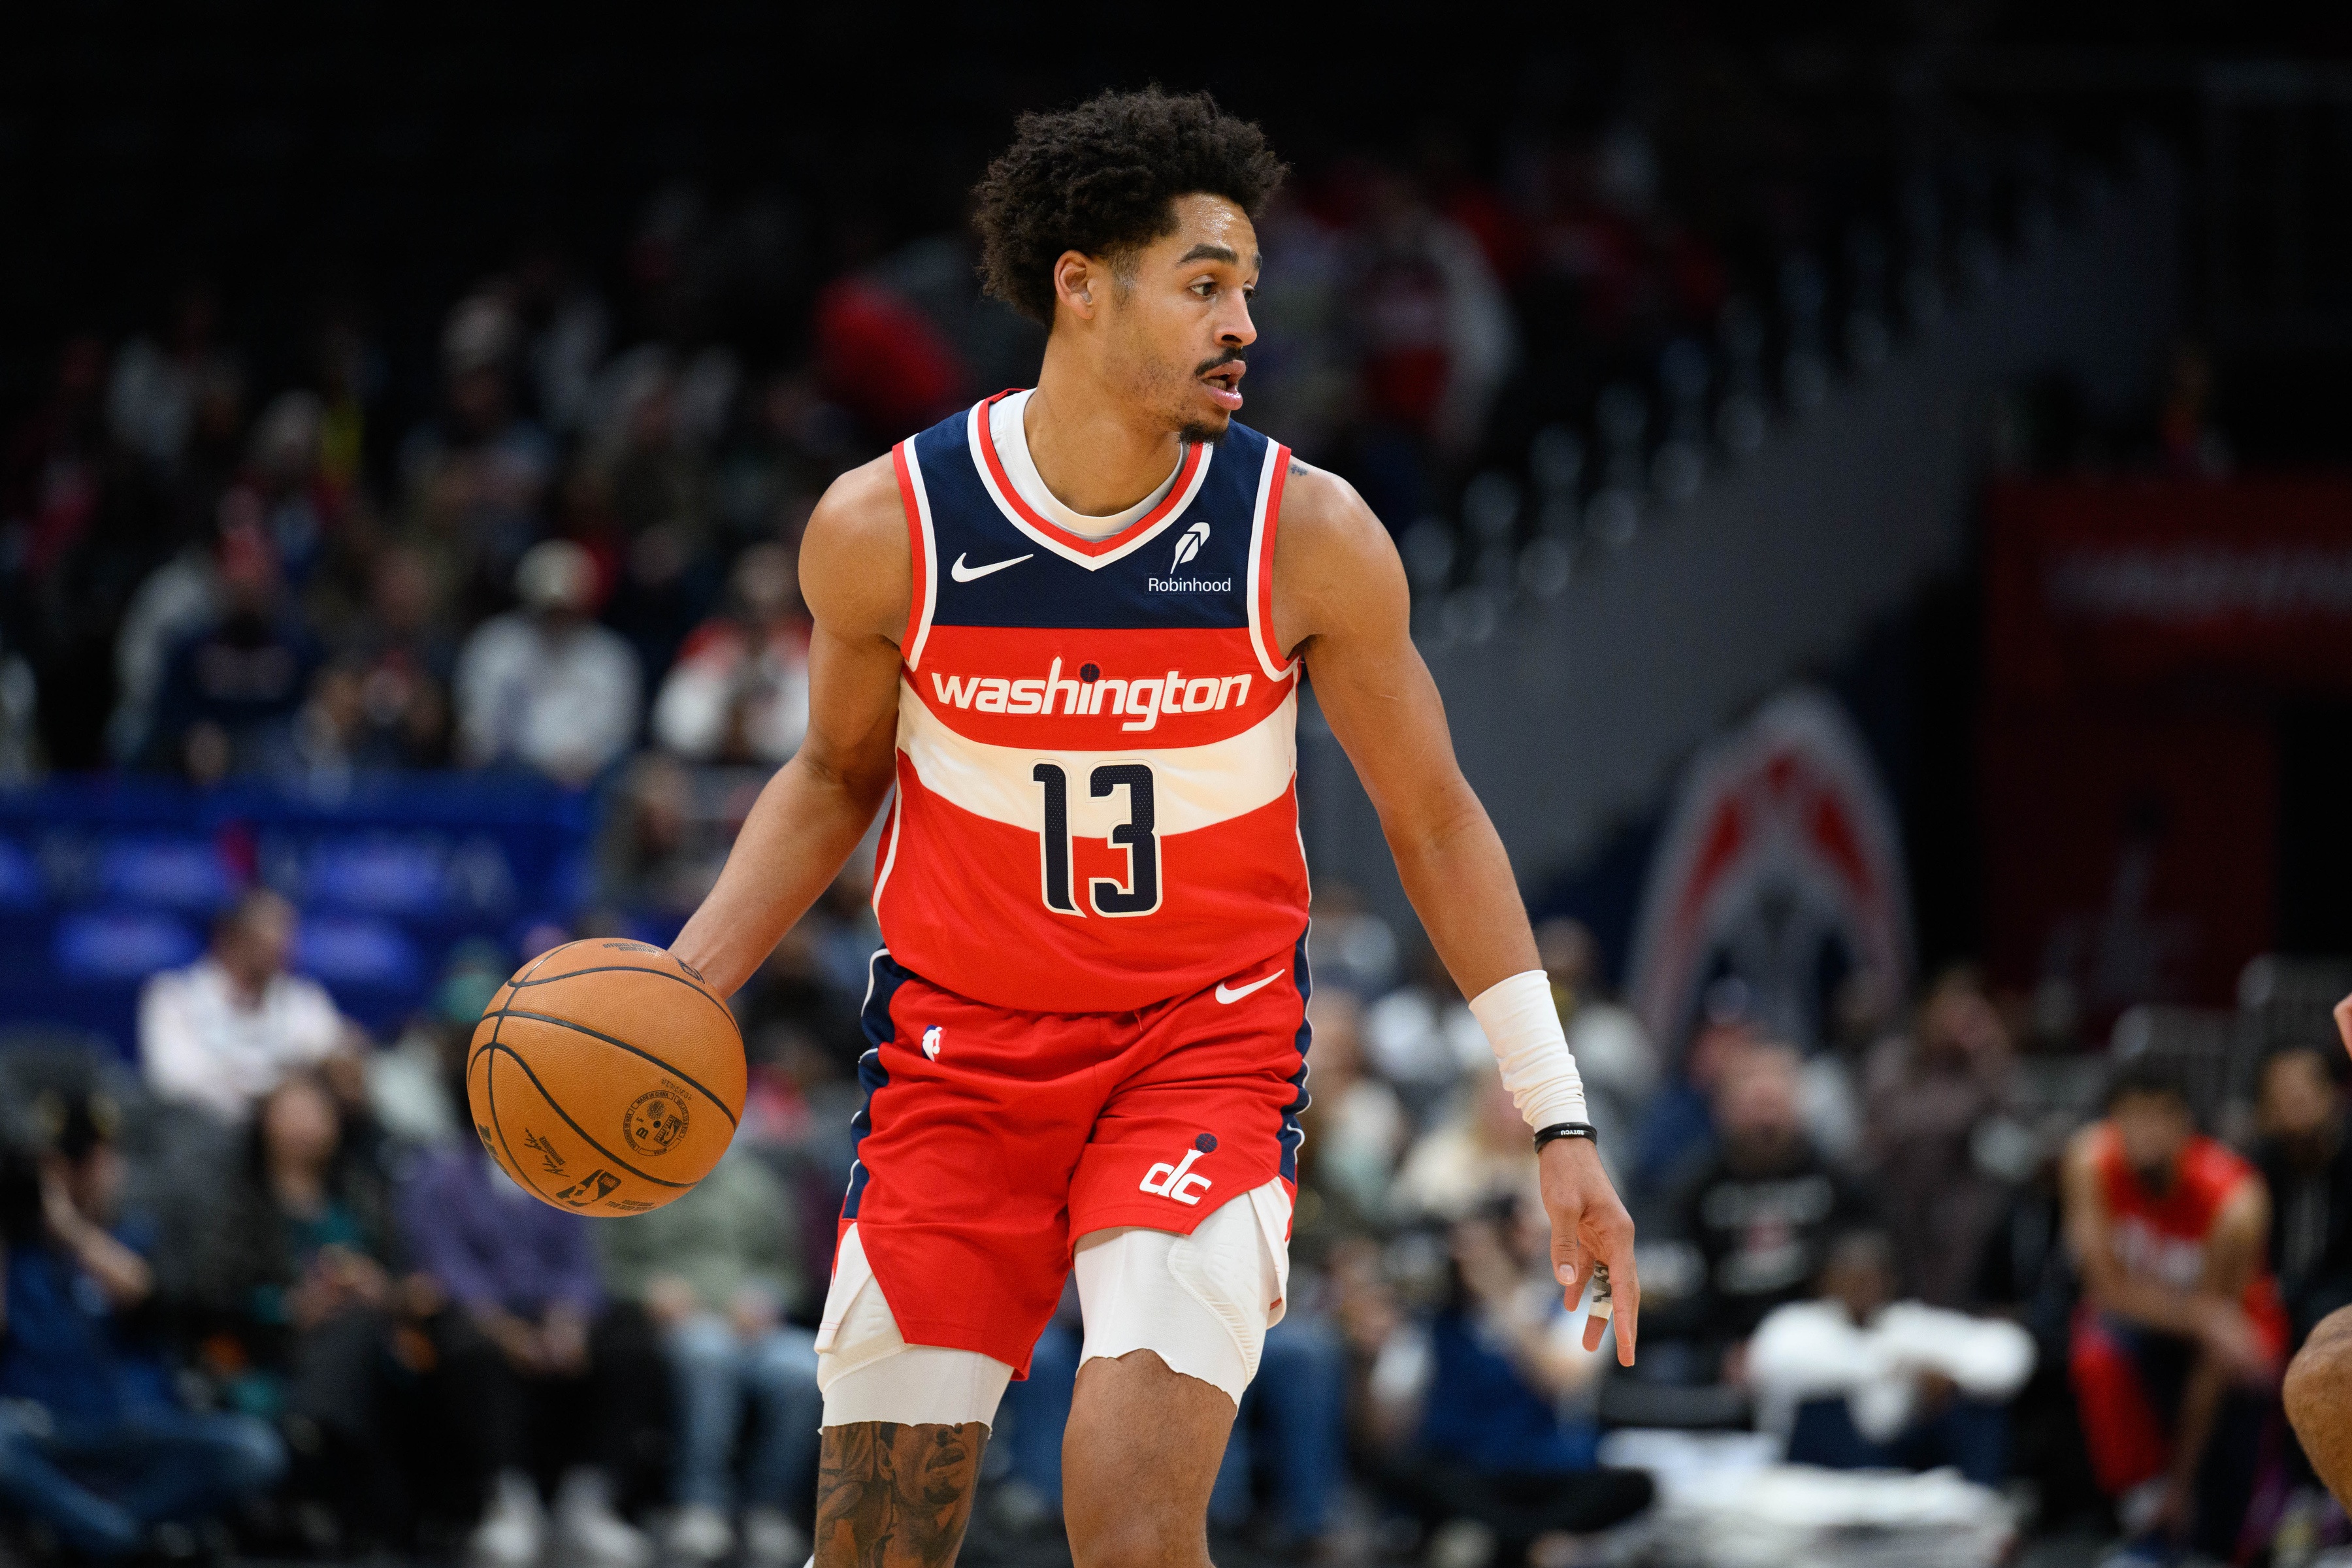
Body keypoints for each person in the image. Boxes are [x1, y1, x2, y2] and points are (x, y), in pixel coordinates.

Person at [666, 88, 1639, 1568]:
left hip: (1200, 1048)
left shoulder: (1304, 533)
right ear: (1082, 285)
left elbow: (1437, 820)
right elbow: (830, 774)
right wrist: (686, 982)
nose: (1244, 323)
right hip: (958, 1063)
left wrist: (1557, 1117)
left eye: (1248, 287)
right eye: (1203, 285)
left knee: (1125, 1507)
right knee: (874, 1544)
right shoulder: (887, 526)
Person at [0, 1089, 287, 1559]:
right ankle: (119, 1539)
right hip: (46, 1431)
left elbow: (147, 1297)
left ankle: (89, 1533)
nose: (73, 1176)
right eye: (58, 1165)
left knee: (254, 1449)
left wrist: (69, 1228)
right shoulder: (16, 1248)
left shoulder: (138, 1236)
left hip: (138, 1432)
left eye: (86, 1160)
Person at [399, 1139, 665, 1568]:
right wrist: (504, 1329)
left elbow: (581, 1263)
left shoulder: (566, 1171)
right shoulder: (442, 1177)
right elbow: (445, 1265)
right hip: (484, 1315)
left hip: (553, 1314)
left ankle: (590, 1500)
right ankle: (508, 1502)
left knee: (631, 1337)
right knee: (467, 1346)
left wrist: (569, 1322)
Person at [164, 1071, 404, 1543]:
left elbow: (402, 1278)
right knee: (353, 1337)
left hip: (364, 1347)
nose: (304, 1126)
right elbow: (210, 1295)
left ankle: (312, 1433)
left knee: (363, 1329)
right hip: (272, 1349)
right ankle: (316, 1449)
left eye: (314, 1112)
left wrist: (376, 1286)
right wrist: (289, 1307)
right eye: (291, 1112)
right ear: (264, 1123)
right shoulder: (238, 1202)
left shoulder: (360, 1195)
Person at [2063, 1056, 2284, 1561]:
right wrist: (2202, 1317)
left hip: (2237, 1344)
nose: (2146, 1133)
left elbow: (2219, 1346)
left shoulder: (2235, 1201)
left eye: (2159, 1116)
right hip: (2175, 1323)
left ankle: (2224, 1525)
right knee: (2096, 1351)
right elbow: (2103, 1290)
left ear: (2186, 1122)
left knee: (2238, 1374)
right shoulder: (2090, 1160)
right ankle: (2143, 1507)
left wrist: (2182, 1481)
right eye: (2131, 1117)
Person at [1363, 1198, 1652, 1564]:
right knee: (1405, 1473)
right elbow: (1386, 1429)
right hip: (1466, 1471)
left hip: (1544, 1470)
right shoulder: (1434, 1320)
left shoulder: (1569, 1305)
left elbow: (1560, 1382)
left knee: (1635, 1487)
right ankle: (1529, 1542)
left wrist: (1501, 1297)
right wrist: (1370, 1354)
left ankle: (1497, 1538)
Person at [595, 1148, 818, 1568]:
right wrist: (650, 1291)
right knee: (709, 1353)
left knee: (806, 1369)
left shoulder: (755, 1184)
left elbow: (788, 1271)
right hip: (680, 1324)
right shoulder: (632, 1180)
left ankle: (768, 1507)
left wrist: (767, 1297)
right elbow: (610, 1266)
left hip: (754, 1329)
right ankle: (701, 1503)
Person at [1745, 1230, 2033, 1486]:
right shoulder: (1796, 1326)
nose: (1859, 1287)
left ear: (1891, 1281)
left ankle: (1978, 1497)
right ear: (1827, 1281)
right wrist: (1889, 1368)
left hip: (1898, 1458)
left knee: (1976, 1405)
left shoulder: (1908, 1325)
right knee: (1821, 1399)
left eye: (1869, 1277)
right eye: (1848, 1276)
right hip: (1823, 1466)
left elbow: (2010, 1349)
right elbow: (1770, 1364)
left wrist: (1951, 1379)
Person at [139, 887, 365, 1123]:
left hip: (279, 1134)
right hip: (200, 1129)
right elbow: (173, 1082)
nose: (281, 944)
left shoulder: (305, 1000)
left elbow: (333, 1061)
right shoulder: (173, 996)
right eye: (267, 932)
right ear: (230, 938)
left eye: (286, 933)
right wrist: (273, 1085)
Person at [452, 537, 642, 785]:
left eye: (566, 608)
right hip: (503, 779)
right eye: (548, 608)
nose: (557, 617)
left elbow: (617, 735)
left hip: (583, 787)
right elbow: (476, 725)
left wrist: (586, 761)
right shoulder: (495, 646)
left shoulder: (610, 659)